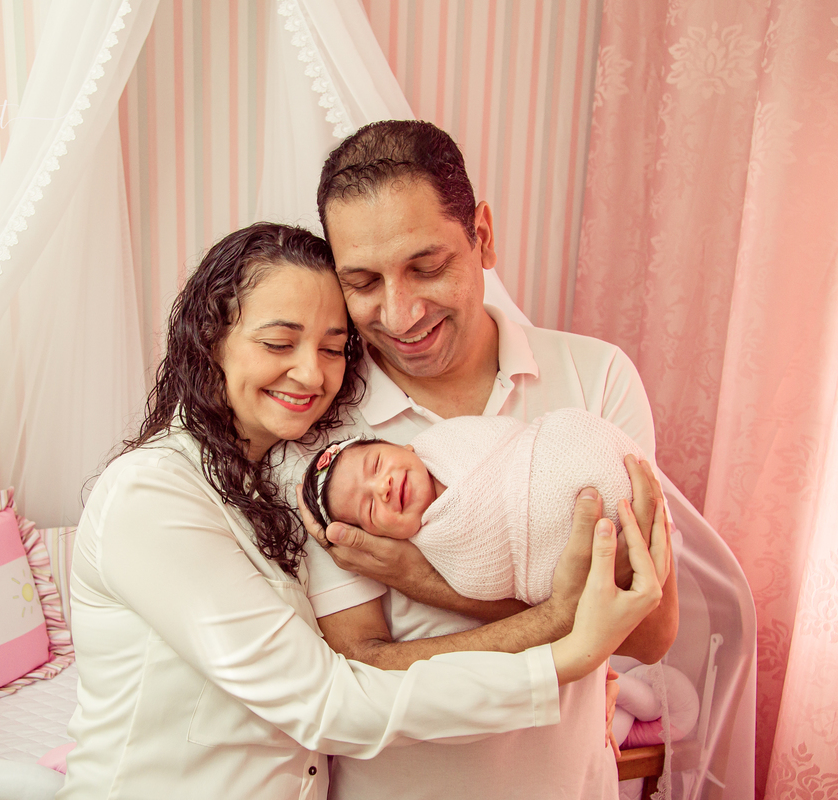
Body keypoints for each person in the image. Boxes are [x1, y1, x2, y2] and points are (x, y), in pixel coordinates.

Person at [57, 222, 669, 799]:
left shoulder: (293, 480)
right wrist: (565, 647)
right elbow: (324, 702)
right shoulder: (151, 496)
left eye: (332, 348)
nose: (311, 372)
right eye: (278, 341)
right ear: (209, 341)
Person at [289, 120, 681, 799]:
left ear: (484, 237)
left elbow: (648, 631)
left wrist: (425, 579)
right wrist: (564, 616)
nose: (400, 312)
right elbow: (360, 669)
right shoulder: (326, 437)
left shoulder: (596, 378)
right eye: (363, 281)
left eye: (427, 266)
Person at [301, 407, 647, 606]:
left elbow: (514, 434)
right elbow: (485, 581)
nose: (383, 487)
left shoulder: (449, 438)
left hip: (581, 449)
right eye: (370, 509)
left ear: (403, 446)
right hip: (575, 552)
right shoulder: (443, 554)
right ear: (383, 538)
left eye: (376, 464)